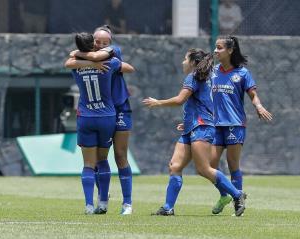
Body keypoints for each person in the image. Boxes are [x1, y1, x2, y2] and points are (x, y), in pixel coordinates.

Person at [143, 48, 246, 216]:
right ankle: (168, 208)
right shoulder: (206, 77)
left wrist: (158, 102)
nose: (183, 62)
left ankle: (236, 194)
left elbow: (180, 100)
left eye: (185, 59)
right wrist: (188, 122)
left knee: (204, 168)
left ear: (192, 62)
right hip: (193, 126)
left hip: (202, 127)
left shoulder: (194, 76)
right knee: (175, 166)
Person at [64, 32, 134, 215]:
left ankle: (121, 204)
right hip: (106, 114)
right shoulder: (110, 63)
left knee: (112, 157)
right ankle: (103, 200)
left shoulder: (111, 52)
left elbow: (69, 62)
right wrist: (94, 63)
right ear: (93, 42)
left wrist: (84, 59)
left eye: (106, 42)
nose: (102, 44)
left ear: (111, 43)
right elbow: (128, 68)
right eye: (98, 41)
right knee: (102, 160)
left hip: (93, 114)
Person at [208, 35, 272, 215]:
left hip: (235, 124)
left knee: (232, 164)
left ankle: (238, 205)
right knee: (209, 164)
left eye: (219, 48)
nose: (215, 51)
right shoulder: (213, 72)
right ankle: (227, 195)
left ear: (230, 50)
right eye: (215, 47)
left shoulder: (242, 73)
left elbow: (253, 94)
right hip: (215, 124)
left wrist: (258, 106)